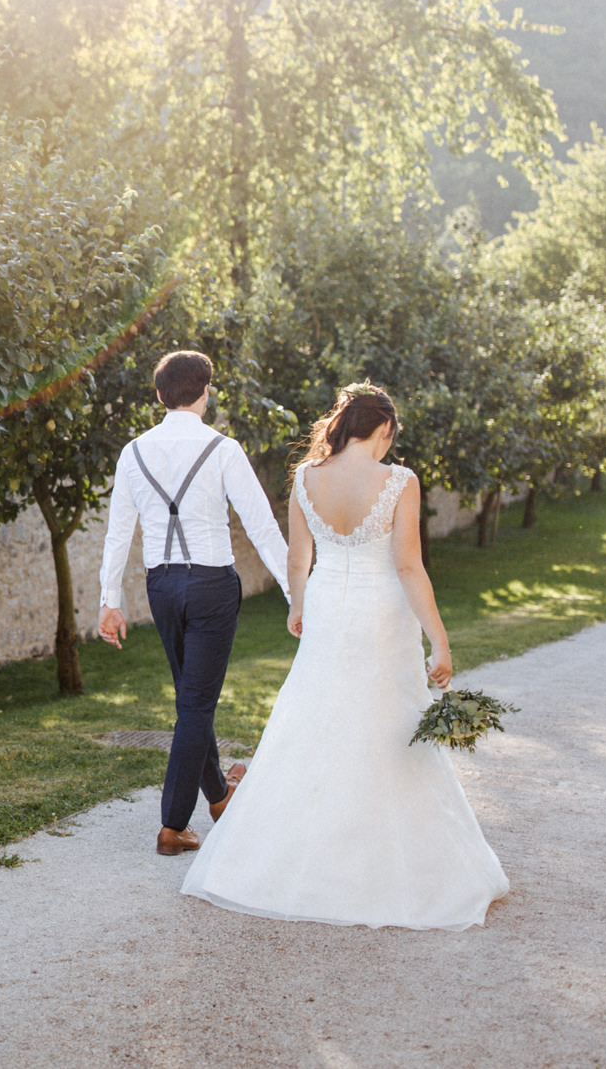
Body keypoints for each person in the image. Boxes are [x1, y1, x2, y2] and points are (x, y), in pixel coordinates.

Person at [179, 383, 510, 929]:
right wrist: (440, 640)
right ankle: (389, 867)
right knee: (388, 722)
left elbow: (298, 559)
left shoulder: (307, 478)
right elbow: (408, 567)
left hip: (329, 608)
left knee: (315, 716)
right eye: (390, 436)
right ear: (382, 429)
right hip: (382, 615)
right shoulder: (400, 482)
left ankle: (283, 860)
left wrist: (298, 607)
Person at [97, 350, 293, 856]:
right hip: (211, 585)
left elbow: (118, 533)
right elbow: (261, 526)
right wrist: (298, 592)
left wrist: (108, 600)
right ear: (205, 391)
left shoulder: (133, 452)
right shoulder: (223, 449)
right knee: (197, 703)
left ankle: (220, 796)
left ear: (160, 396)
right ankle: (172, 826)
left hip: (160, 587)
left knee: (190, 698)